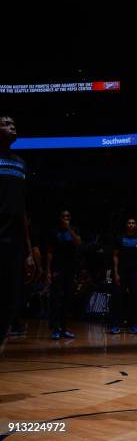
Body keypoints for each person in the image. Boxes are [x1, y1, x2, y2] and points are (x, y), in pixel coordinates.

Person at [0, 115, 35, 352]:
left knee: (10, 300)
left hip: (13, 244)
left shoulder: (20, 164)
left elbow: (22, 210)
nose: (12, 126)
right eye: (5, 123)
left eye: (14, 123)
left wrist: (29, 251)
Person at [46, 210, 80, 339]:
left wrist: (69, 229)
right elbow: (49, 252)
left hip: (70, 269)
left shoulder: (74, 230)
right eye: (63, 216)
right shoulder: (54, 232)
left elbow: (78, 243)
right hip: (57, 269)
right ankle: (55, 328)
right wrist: (48, 271)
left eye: (68, 216)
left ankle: (64, 328)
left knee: (67, 299)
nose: (66, 218)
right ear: (59, 218)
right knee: (56, 299)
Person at [110, 217, 137, 334]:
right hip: (121, 272)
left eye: (133, 223)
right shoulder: (120, 238)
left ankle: (134, 325)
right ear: (126, 225)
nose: (131, 224)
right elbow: (115, 256)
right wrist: (116, 273)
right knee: (118, 298)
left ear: (136, 225)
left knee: (134, 299)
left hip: (134, 273)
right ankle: (115, 325)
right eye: (129, 223)